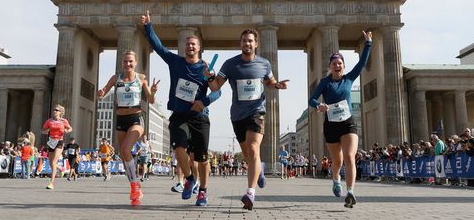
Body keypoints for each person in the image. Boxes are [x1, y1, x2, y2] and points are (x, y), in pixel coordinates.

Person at [141, 11, 221, 207]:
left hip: (199, 116)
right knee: (178, 149)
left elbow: (218, 92)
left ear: (199, 48)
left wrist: (205, 101)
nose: (190, 46)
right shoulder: (176, 61)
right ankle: (189, 179)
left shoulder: (206, 69)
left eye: (193, 44)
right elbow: (158, 48)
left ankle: (202, 192)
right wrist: (148, 27)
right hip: (179, 114)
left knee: (202, 159)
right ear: (184, 47)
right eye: (187, 44)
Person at [205, 28, 289, 210]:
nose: (247, 44)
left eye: (250, 41)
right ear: (240, 43)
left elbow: (269, 81)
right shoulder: (230, 64)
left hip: (256, 112)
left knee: (253, 148)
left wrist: (277, 85)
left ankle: (250, 193)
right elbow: (215, 87)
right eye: (244, 40)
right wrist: (210, 76)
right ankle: (258, 170)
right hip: (237, 116)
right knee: (249, 156)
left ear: (256, 44)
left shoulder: (264, 64)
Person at [308, 30, 372, 208]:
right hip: (331, 125)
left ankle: (350, 192)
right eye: (335, 63)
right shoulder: (325, 82)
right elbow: (311, 99)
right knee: (337, 161)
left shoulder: (349, 78)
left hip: (348, 123)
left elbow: (362, 63)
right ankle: (336, 179)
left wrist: (368, 43)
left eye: (340, 63)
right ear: (331, 66)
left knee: (350, 157)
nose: (337, 65)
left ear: (343, 66)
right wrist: (318, 105)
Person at [98, 50, 158, 206]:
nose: (128, 64)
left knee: (125, 150)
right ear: (122, 63)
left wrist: (153, 92)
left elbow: (150, 100)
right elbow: (103, 92)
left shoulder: (141, 78)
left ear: (136, 63)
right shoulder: (115, 78)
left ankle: (134, 187)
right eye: (125, 61)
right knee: (125, 158)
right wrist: (101, 93)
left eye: (131, 61)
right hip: (120, 119)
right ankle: (135, 184)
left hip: (136, 118)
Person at [41, 104, 73, 189]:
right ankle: (60, 168)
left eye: (57, 110)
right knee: (51, 163)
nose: (55, 111)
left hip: (59, 141)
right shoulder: (49, 121)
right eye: (54, 110)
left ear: (60, 112)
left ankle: (51, 183)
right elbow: (43, 130)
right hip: (51, 141)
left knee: (54, 162)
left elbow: (70, 128)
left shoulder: (64, 121)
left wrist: (67, 130)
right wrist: (45, 131)